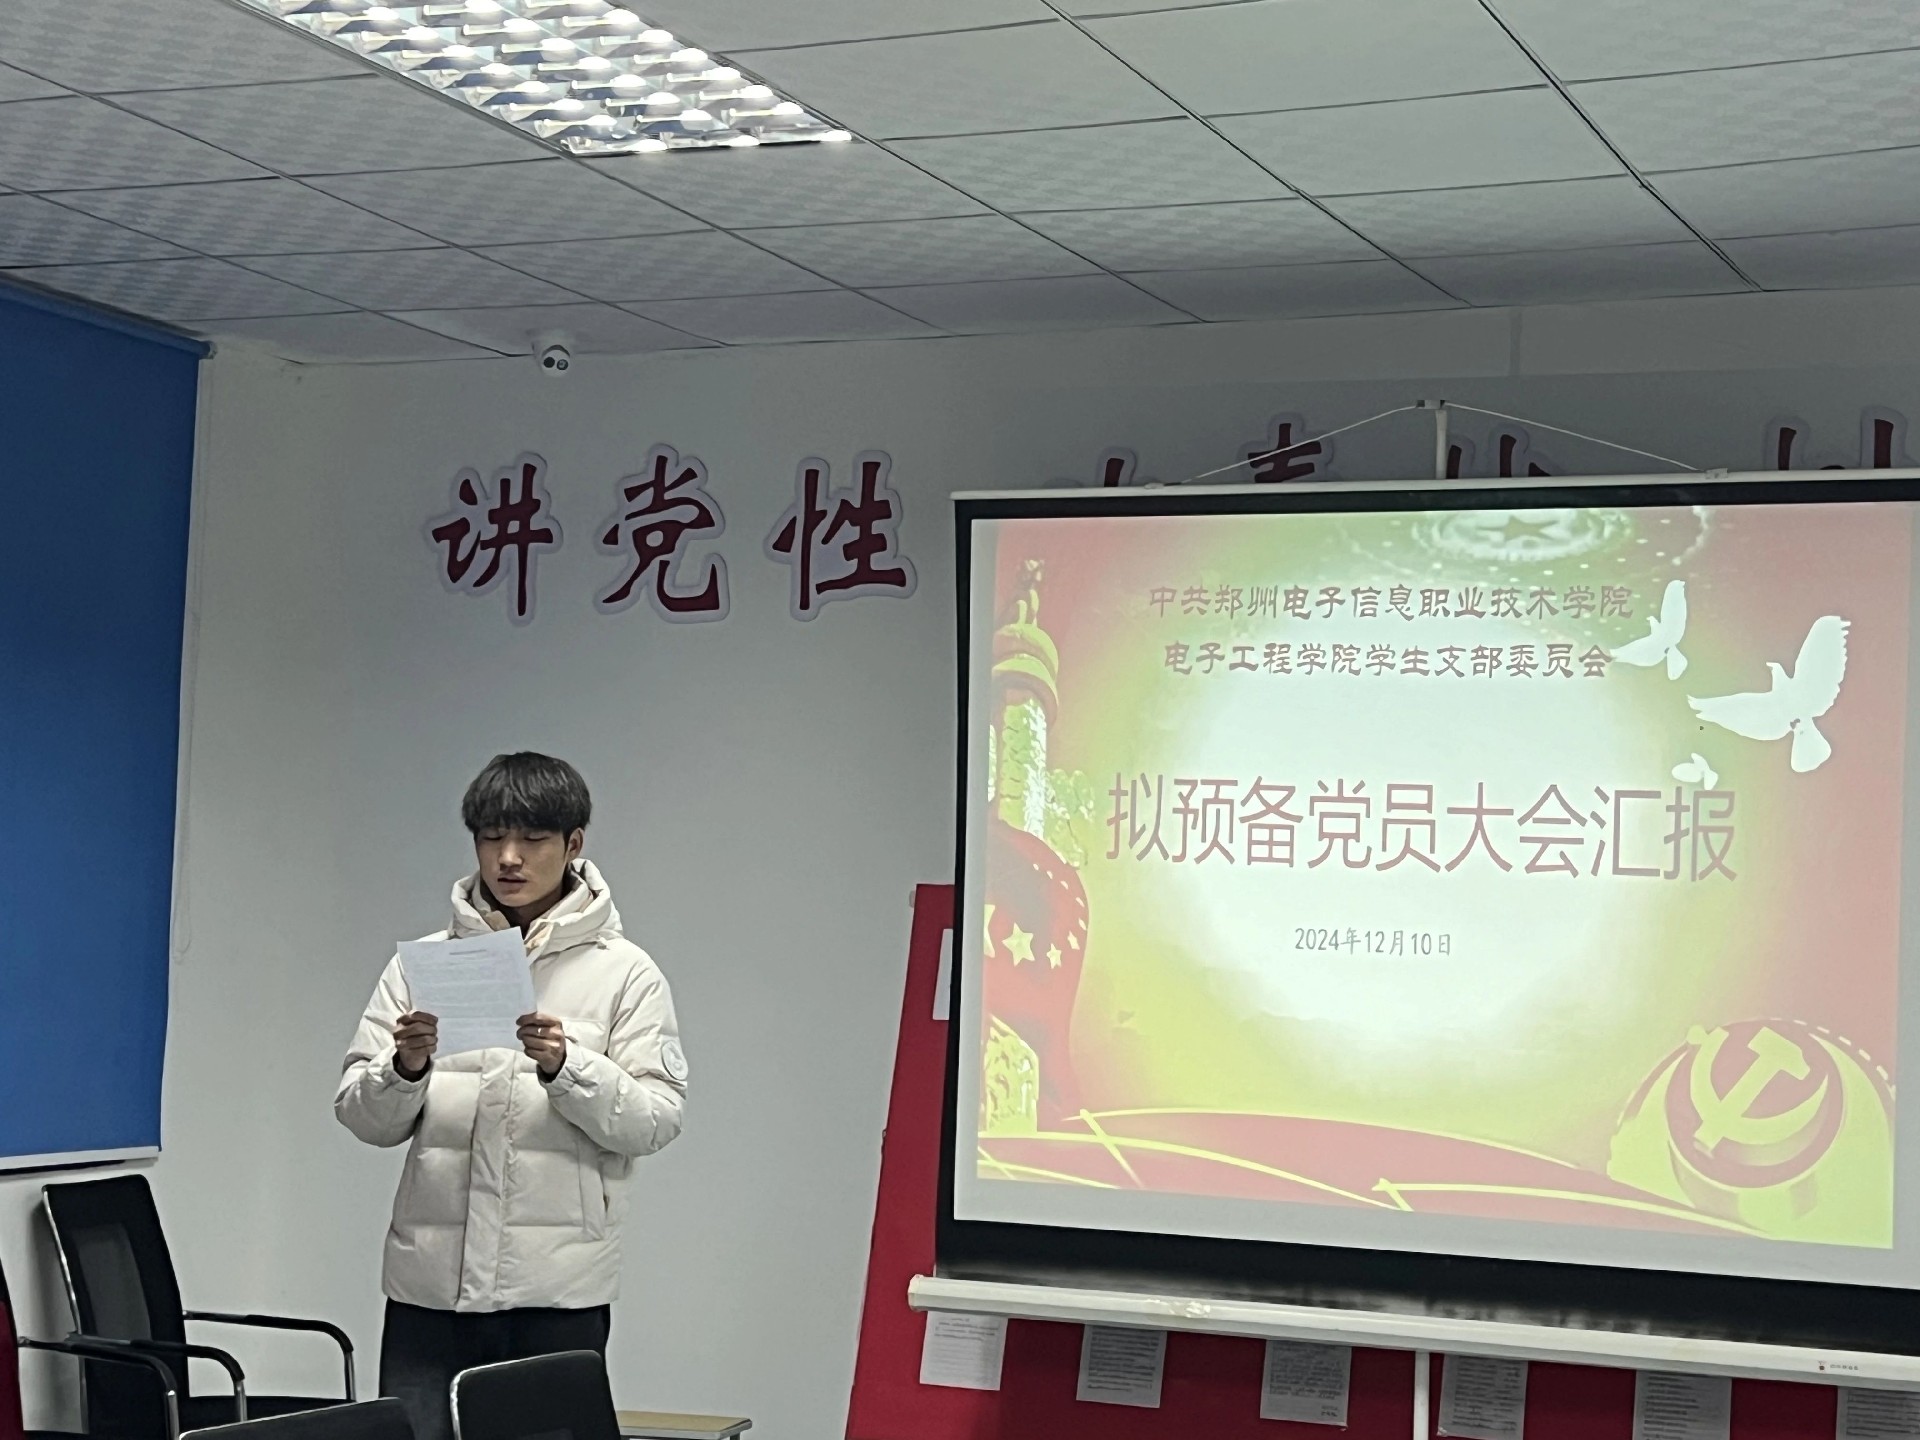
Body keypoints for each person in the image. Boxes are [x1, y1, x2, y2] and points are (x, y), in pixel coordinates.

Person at [336, 753, 687, 1440]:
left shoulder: (625, 974)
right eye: (492, 837)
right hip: (428, 1292)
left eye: (532, 839)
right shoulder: (424, 964)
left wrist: (568, 1067)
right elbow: (359, 1114)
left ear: (574, 843)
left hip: (555, 1297)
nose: (508, 857)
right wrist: (404, 1068)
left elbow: (655, 1120)